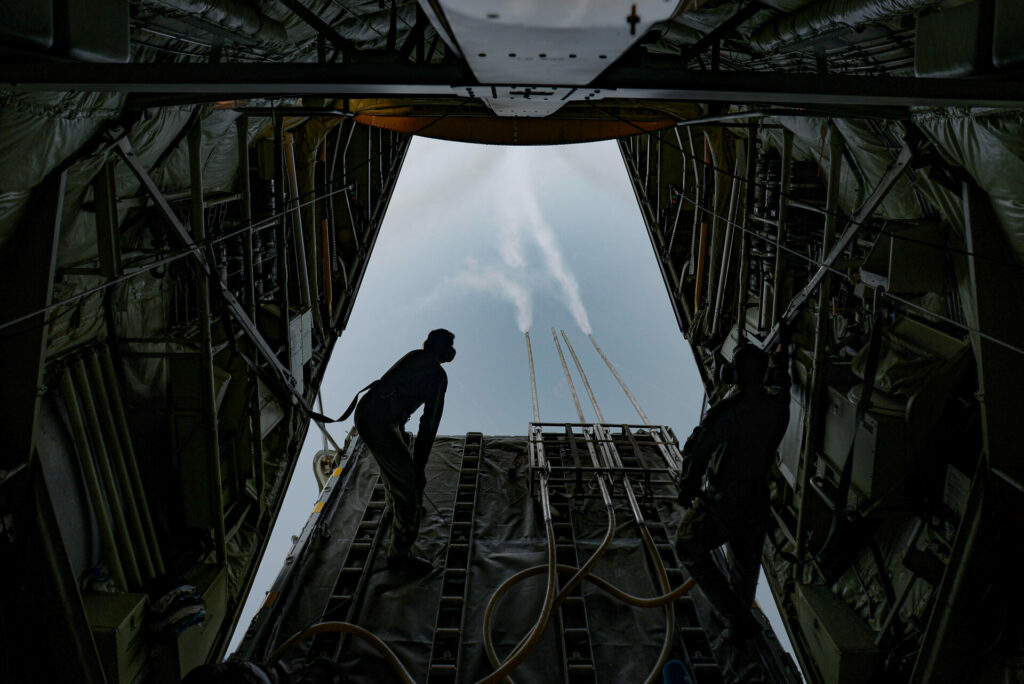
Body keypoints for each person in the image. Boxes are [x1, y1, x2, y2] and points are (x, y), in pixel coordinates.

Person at [674, 338, 791, 643]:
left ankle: (736, 619)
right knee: (743, 575)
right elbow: (782, 383)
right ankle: (739, 624)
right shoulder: (777, 406)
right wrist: (781, 357)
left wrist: (687, 486)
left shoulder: (730, 411)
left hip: (724, 503)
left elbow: (699, 449)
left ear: (734, 374)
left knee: (687, 545)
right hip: (756, 506)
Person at [352, 329, 455, 575]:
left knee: (395, 469)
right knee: (409, 482)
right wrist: (418, 471)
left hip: (372, 415)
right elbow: (429, 425)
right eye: (450, 344)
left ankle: (396, 507)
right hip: (380, 420)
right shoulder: (437, 374)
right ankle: (400, 556)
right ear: (442, 349)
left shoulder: (415, 356)